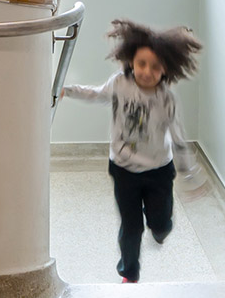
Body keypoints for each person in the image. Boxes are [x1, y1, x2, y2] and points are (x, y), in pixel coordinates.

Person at [58, 19, 203, 282]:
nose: (147, 71)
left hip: (159, 170)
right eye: (141, 64)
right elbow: (95, 94)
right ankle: (130, 273)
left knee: (160, 223)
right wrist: (67, 90)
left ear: (166, 69)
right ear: (130, 62)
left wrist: (189, 173)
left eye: (156, 67)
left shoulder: (166, 98)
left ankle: (160, 229)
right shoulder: (119, 84)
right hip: (124, 170)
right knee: (131, 226)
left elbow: (179, 137)